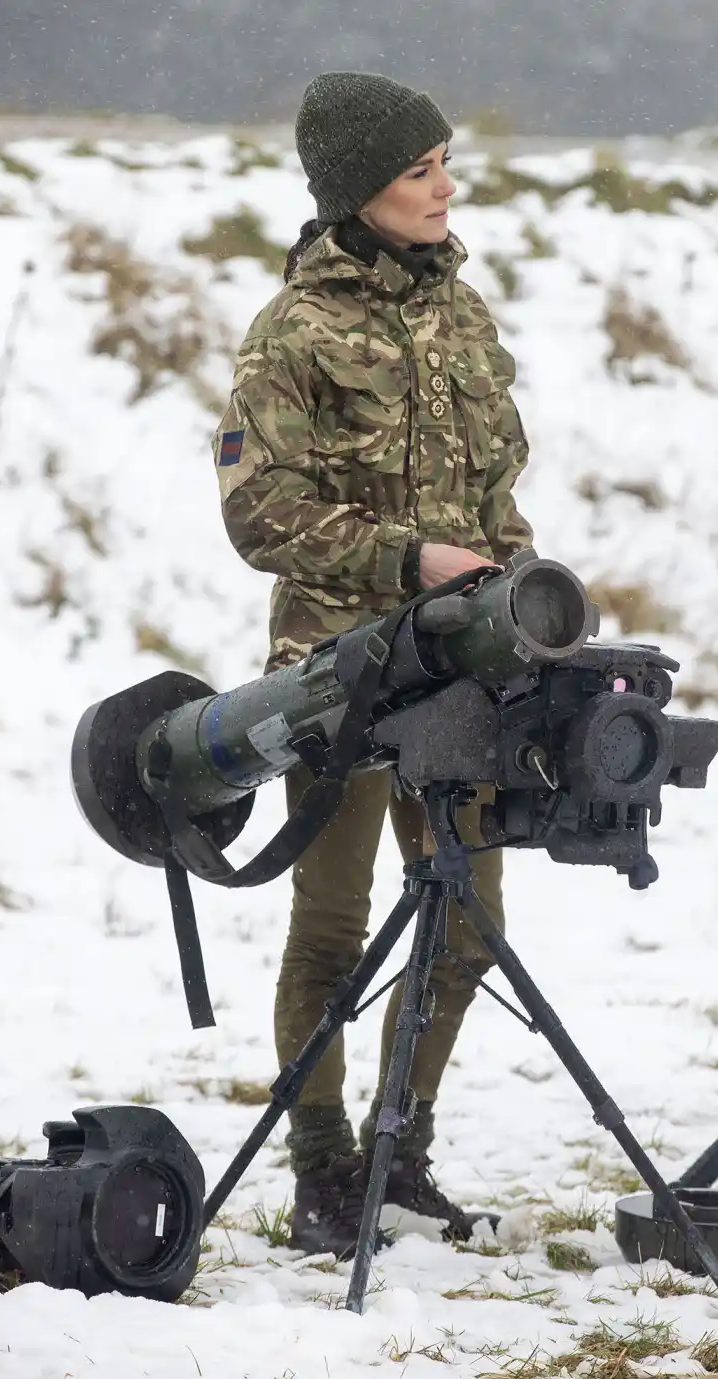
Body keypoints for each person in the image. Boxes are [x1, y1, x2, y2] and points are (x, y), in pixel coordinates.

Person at [211, 71, 534, 1257]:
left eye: (446, 161)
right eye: (420, 171)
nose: (447, 186)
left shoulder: (467, 314)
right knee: (334, 925)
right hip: (337, 673)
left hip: (460, 675)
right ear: (361, 192)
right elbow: (263, 516)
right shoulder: (291, 332)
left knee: (466, 922)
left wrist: (515, 599)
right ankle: (324, 1170)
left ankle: (404, 1149)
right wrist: (409, 562)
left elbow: (500, 496)